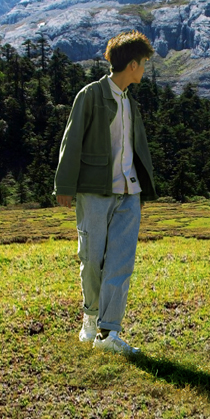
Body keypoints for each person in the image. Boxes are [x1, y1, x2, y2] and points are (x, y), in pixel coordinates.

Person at [55, 30, 155, 356]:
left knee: (120, 263)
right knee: (92, 260)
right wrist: (64, 185)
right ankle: (90, 319)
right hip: (95, 193)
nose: (144, 70)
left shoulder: (130, 101)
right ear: (132, 64)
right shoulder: (91, 95)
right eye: (143, 65)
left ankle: (108, 332)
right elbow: (71, 141)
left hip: (129, 194)